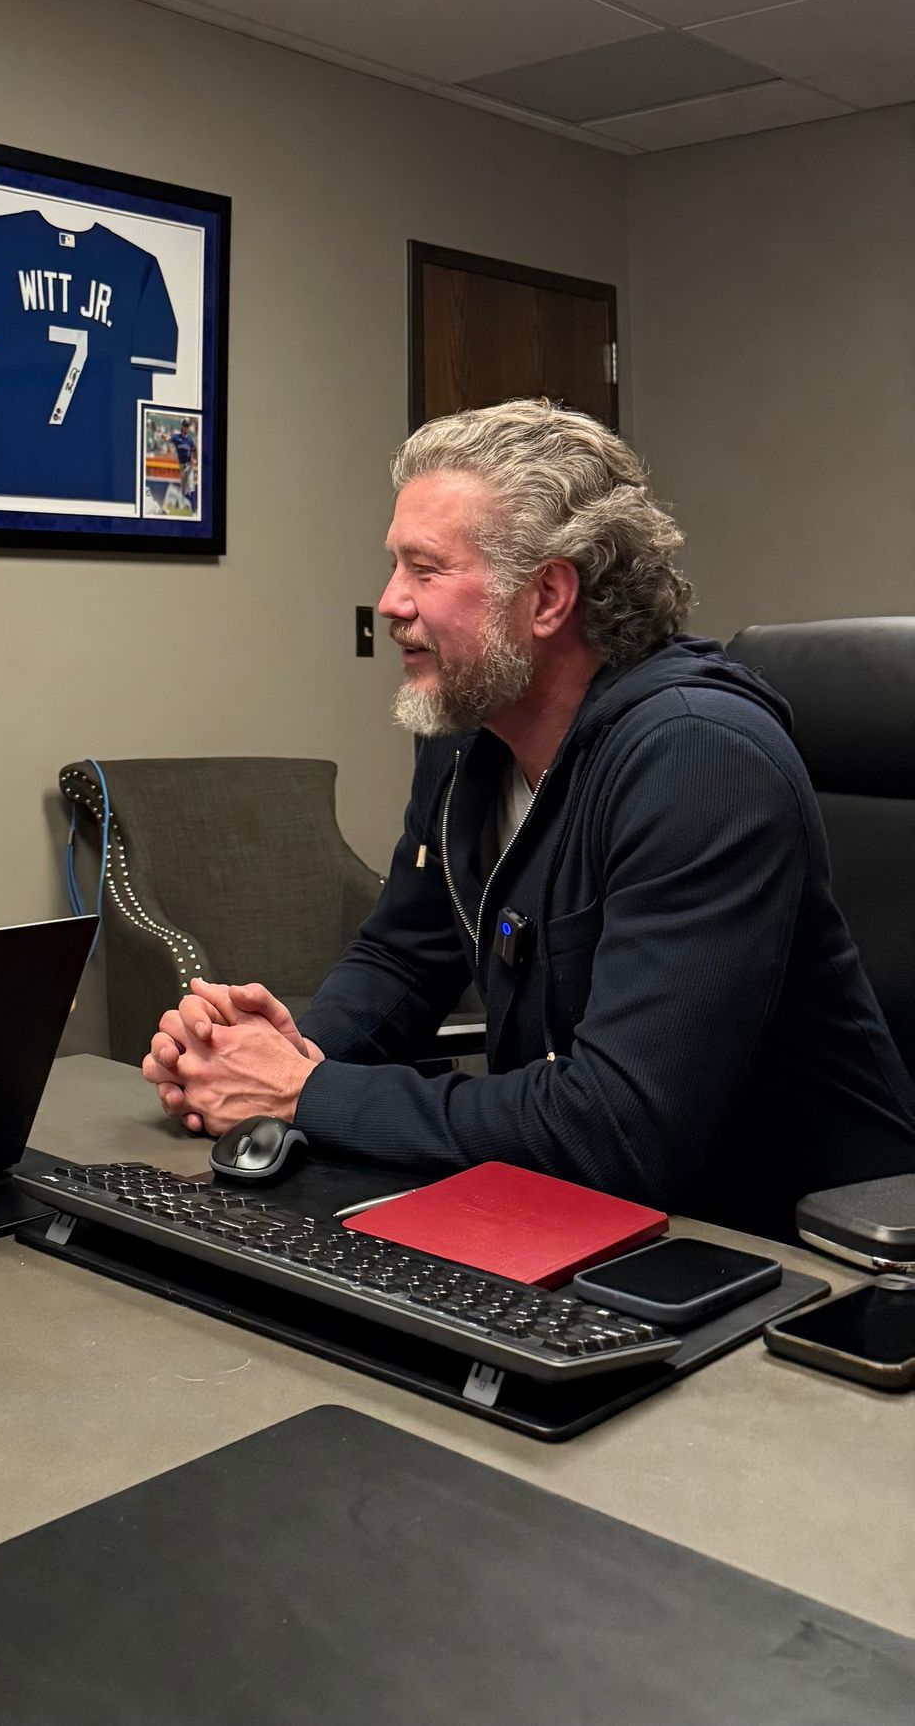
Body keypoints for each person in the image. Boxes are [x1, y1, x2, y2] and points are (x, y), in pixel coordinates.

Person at [143, 401, 915, 1239]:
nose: (390, 601)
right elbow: (403, 956)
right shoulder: (467, 734)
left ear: (547, 593)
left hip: (792, 1259)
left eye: (425, 568)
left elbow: (618, 1129)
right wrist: (282, 1055)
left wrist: (303, 1091)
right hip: (572, 1223)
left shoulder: (701, 759)